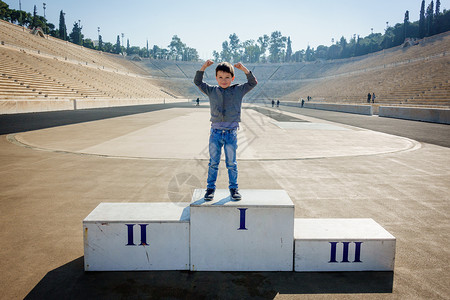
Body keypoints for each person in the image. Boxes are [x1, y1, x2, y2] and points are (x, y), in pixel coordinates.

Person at [194, 60, 257, 201]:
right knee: (213, 163)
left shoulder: (238, 90)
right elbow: (198, 82)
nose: (224, 80)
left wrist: (244, 69)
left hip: (231, 134)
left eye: (227, 77)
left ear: (232, 78)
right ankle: (210, 189)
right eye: (220, 77)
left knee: (231, 163)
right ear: (216, 78)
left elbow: (252, 83)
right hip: (215, 134)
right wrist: (204, 67)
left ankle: (233, 188)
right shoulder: (211, 90)